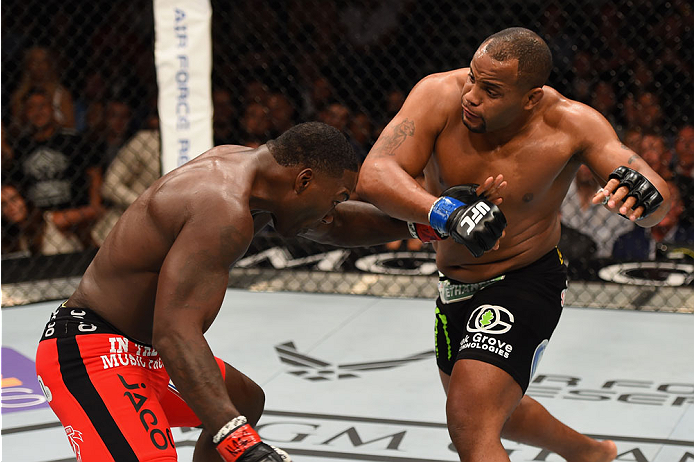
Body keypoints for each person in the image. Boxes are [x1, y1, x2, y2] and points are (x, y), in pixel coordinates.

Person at [357, 27, 671, 462]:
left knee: (469, 421)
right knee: (495, 413)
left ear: (530, 98)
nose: (471, 95)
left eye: (490, 90)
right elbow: (374, 174)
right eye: (471, 77)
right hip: (453, 282)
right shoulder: (437, 95)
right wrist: (445, 211)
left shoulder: (572, 124)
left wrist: (645, 198)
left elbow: (657, 198)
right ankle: (589, 454)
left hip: (527, 277)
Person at [34, 122, 417, 462]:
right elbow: (176, 332)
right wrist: (236, 440)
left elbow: (332, 228)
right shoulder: (223, 207)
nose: (332, 212)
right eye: (334, 200)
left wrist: (422, 225)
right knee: (225, 423)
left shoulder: (249, 174)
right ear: (303, 181)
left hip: (143, 350)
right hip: (91, 352)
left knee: (243, 401)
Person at [9, 88, 103, 249]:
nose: (38, 112)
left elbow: (93, 172)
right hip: (39, 219)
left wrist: (94, 206)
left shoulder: (72, 140)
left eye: (42, 106)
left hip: (74, 210)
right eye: (32, 108)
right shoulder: (20, 147)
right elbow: (16, 186)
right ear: (25, 114)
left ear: (53, 109)